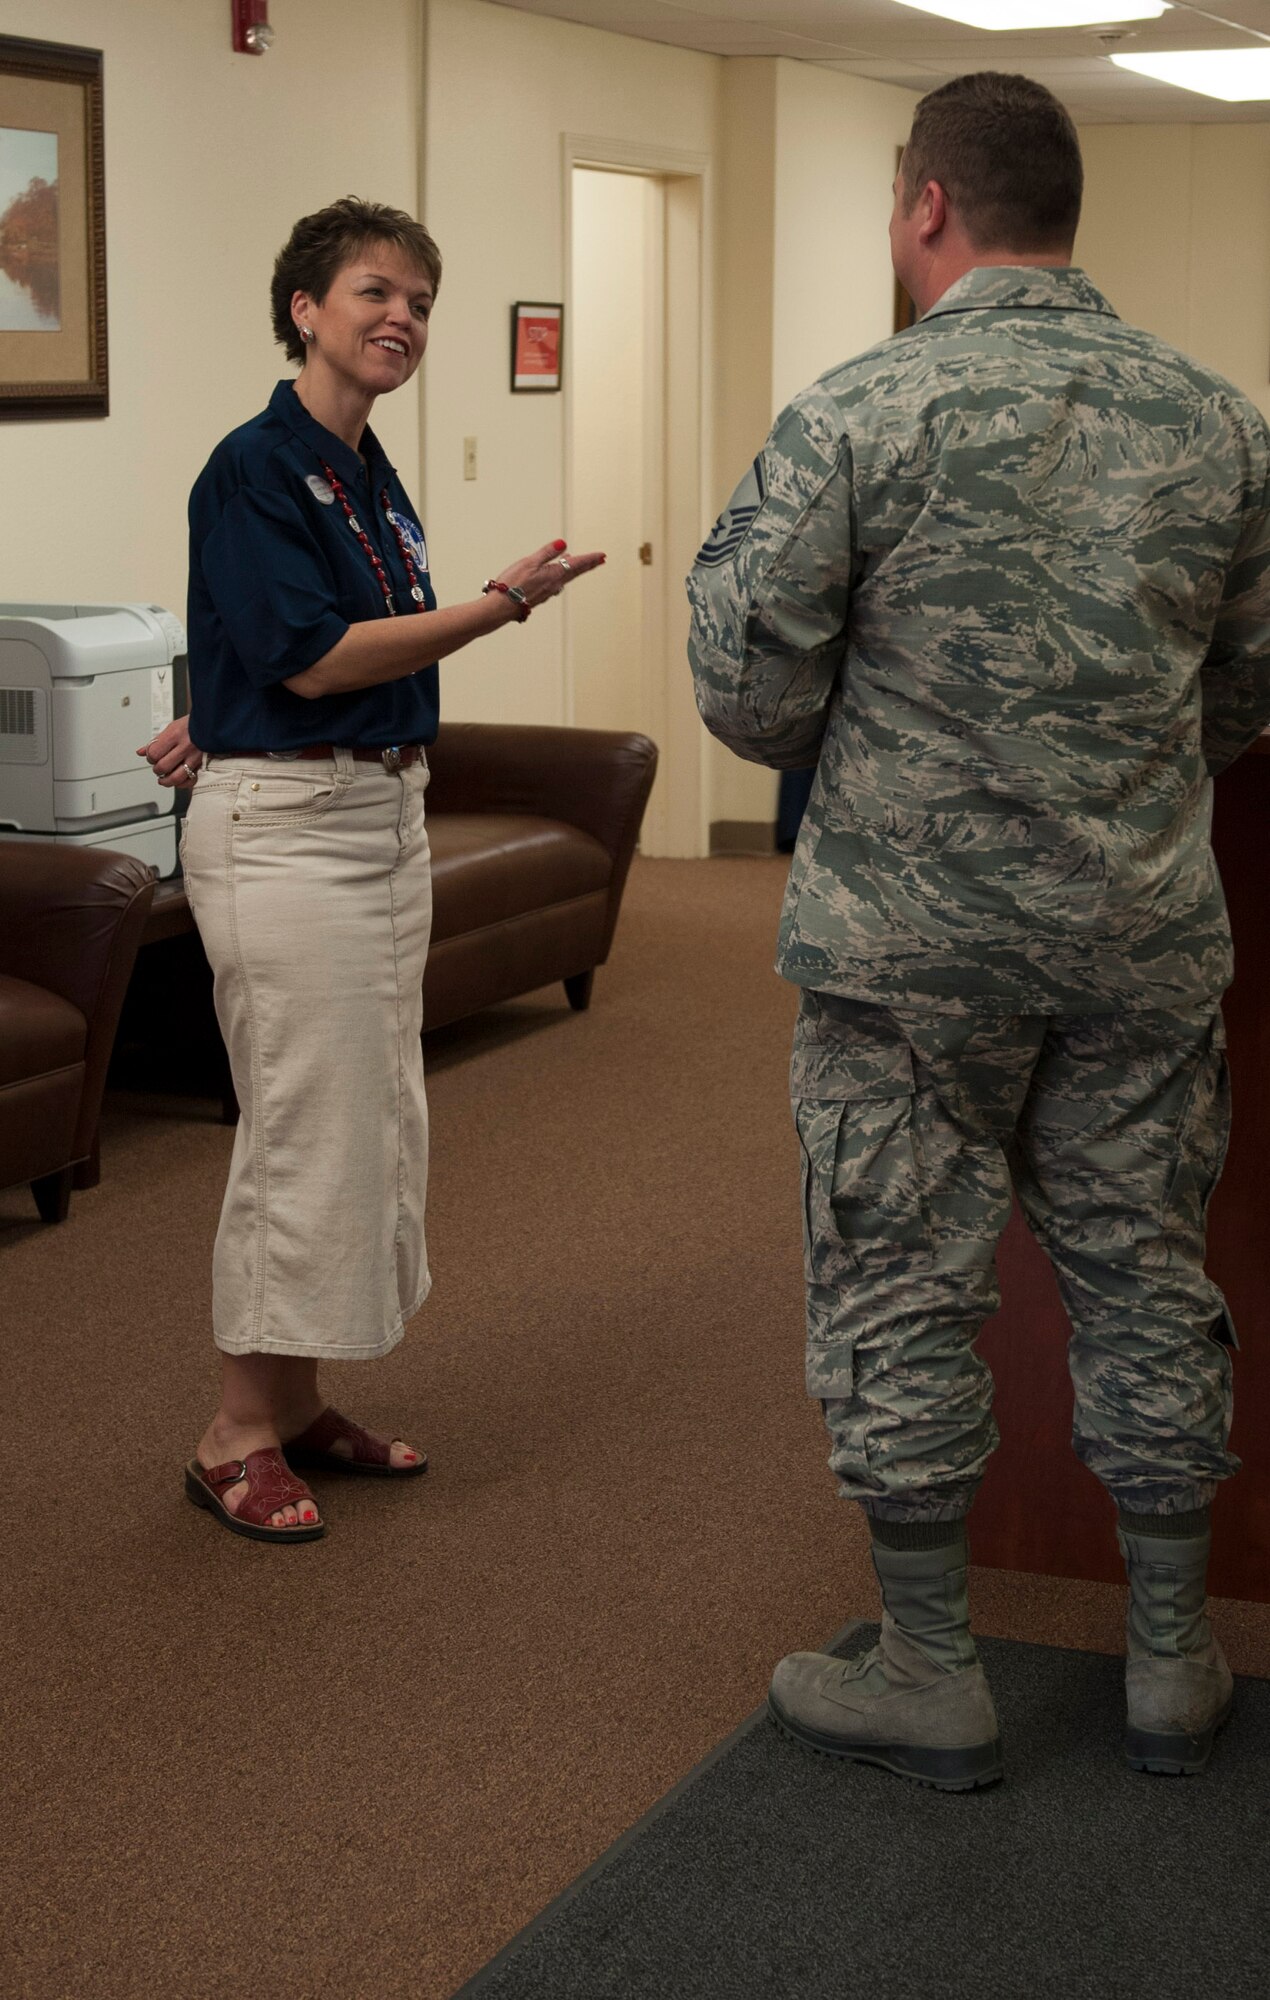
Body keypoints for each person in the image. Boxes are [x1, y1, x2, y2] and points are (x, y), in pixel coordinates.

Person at [687, 73, 1270, 1788]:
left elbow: (740, 684)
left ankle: (932, 1669)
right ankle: (1170, 1658)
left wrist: (880, 750)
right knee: (1147, 1274)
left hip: (906, 952)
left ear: (926, 203)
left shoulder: (859, 410)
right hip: (1139, 937)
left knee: (898, 1280)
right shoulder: (1218, 420)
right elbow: (1248, 683)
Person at [142, 196, 602, 1545]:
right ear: (303, 308)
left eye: (417, 300)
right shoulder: (255, 463)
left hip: (374, 823)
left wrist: (220, 702)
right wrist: (499, 606)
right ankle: (233, 1433)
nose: (398, 316)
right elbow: (319, 654)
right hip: (291, 839)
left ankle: (295, 1401)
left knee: (368, 1128)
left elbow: (276, 643)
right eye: (371, 293)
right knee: (302, 1132)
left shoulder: (363, 469)